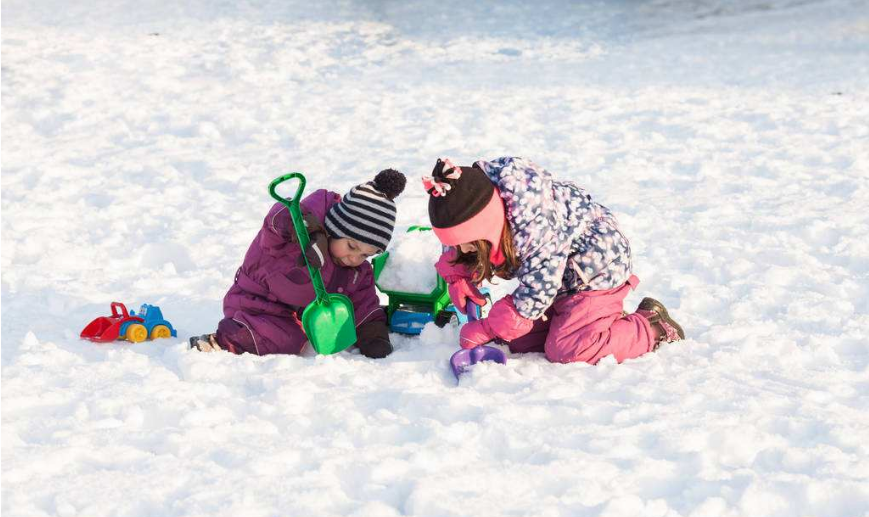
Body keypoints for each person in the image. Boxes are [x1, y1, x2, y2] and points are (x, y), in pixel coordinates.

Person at [424, 157, 684, 364]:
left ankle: (652, 325)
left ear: (488, 227)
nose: (464, 249)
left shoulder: (535, 228)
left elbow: (535, 294)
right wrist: (458, 276)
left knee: (569, 349)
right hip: (560, 276)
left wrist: (489, 328)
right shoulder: (480, 199)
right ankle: (590, 322)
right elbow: (460, 241)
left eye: (469, 243)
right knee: (518, 340)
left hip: (597, 270)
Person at [190, 169, 407, 358]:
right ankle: (223, 340)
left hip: (296, 316)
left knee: (294, 335)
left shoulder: (357, 272)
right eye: (351, 246)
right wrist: (308, 231)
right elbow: (277, 219)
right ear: (335, 227)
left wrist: (373, 336)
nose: (355, 258)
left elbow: (364, 305)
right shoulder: (293, 238)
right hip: (257, 303)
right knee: (285, 340)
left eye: (365, 255)